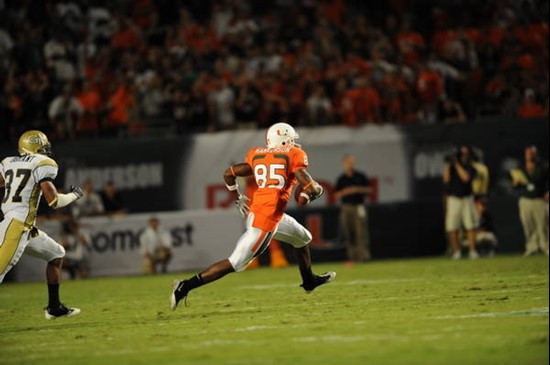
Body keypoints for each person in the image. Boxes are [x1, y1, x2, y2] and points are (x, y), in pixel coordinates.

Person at [170, 122, 335, 310]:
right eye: (290, 139)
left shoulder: (257, 154)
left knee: (303, 238)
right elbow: (310, 188)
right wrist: (317, 191)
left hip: (262, 211)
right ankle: (184, 286)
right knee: (235, 263)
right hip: (267, 219)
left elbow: (228, 173)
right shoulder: (293, 155)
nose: (294, 143)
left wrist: (238, 197)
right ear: (283, 140)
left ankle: (309, 281)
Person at [0, 130, 83, 318]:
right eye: (42, 147)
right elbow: (54, 202)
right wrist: (75, 195)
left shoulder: (7, 162)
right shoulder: (42, 163)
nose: (46, 150)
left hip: (23, 225)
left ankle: (54, 308)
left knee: (56, 254)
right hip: (17, 225)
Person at [511, 146, 549, 256]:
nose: (530, 155)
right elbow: (516, 185)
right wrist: (515, 184)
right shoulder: (521, 167)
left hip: (539, 199)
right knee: (528, 224)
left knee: (543, 225)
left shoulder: (544, 166)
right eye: (528, 153)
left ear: (536, 154)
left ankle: (545, 246)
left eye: (532, 153)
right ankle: (531, 247)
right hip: (525, 199)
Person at [334, 155, 372, 263]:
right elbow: (336, 195)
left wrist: (357, 189)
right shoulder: (342, 179)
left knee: (361, 232)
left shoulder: (360, 176)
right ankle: (352, 256)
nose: (350, 164)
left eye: (352, 162)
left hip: (358, 206)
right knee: (349, 232)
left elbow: (370, 190)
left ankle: (363, 256)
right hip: (346, 207)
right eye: (348, 162)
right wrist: (346, 192)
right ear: (344, 163)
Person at [443, 146, 479, 260]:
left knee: (470, 225)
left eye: (466, 154)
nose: (464, 157)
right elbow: (446, 179)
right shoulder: (452, 168)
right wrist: (449, 164)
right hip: (454, 199)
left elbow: (465, 178)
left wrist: (457, 164)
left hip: (467, 198)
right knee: (452, 226)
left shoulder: (471, 168)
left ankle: (472, 251)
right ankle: (456, 251)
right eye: (461, 155)